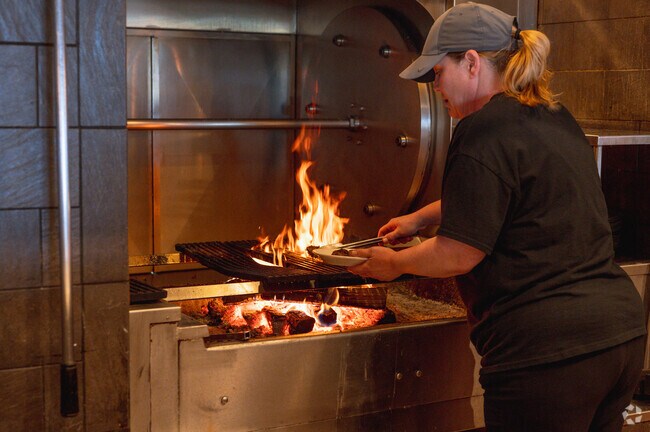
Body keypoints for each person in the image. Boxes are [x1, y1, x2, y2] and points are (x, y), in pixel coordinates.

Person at [347, 3, 646, 431]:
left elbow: (457, 254)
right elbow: (509, 196)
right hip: (619, 338)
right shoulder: (553, 116)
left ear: (471, 62)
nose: (436, 87)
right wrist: (419, 218)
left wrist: (390, 264)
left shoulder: (481, 130)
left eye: (438, 72)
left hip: (548, 354)